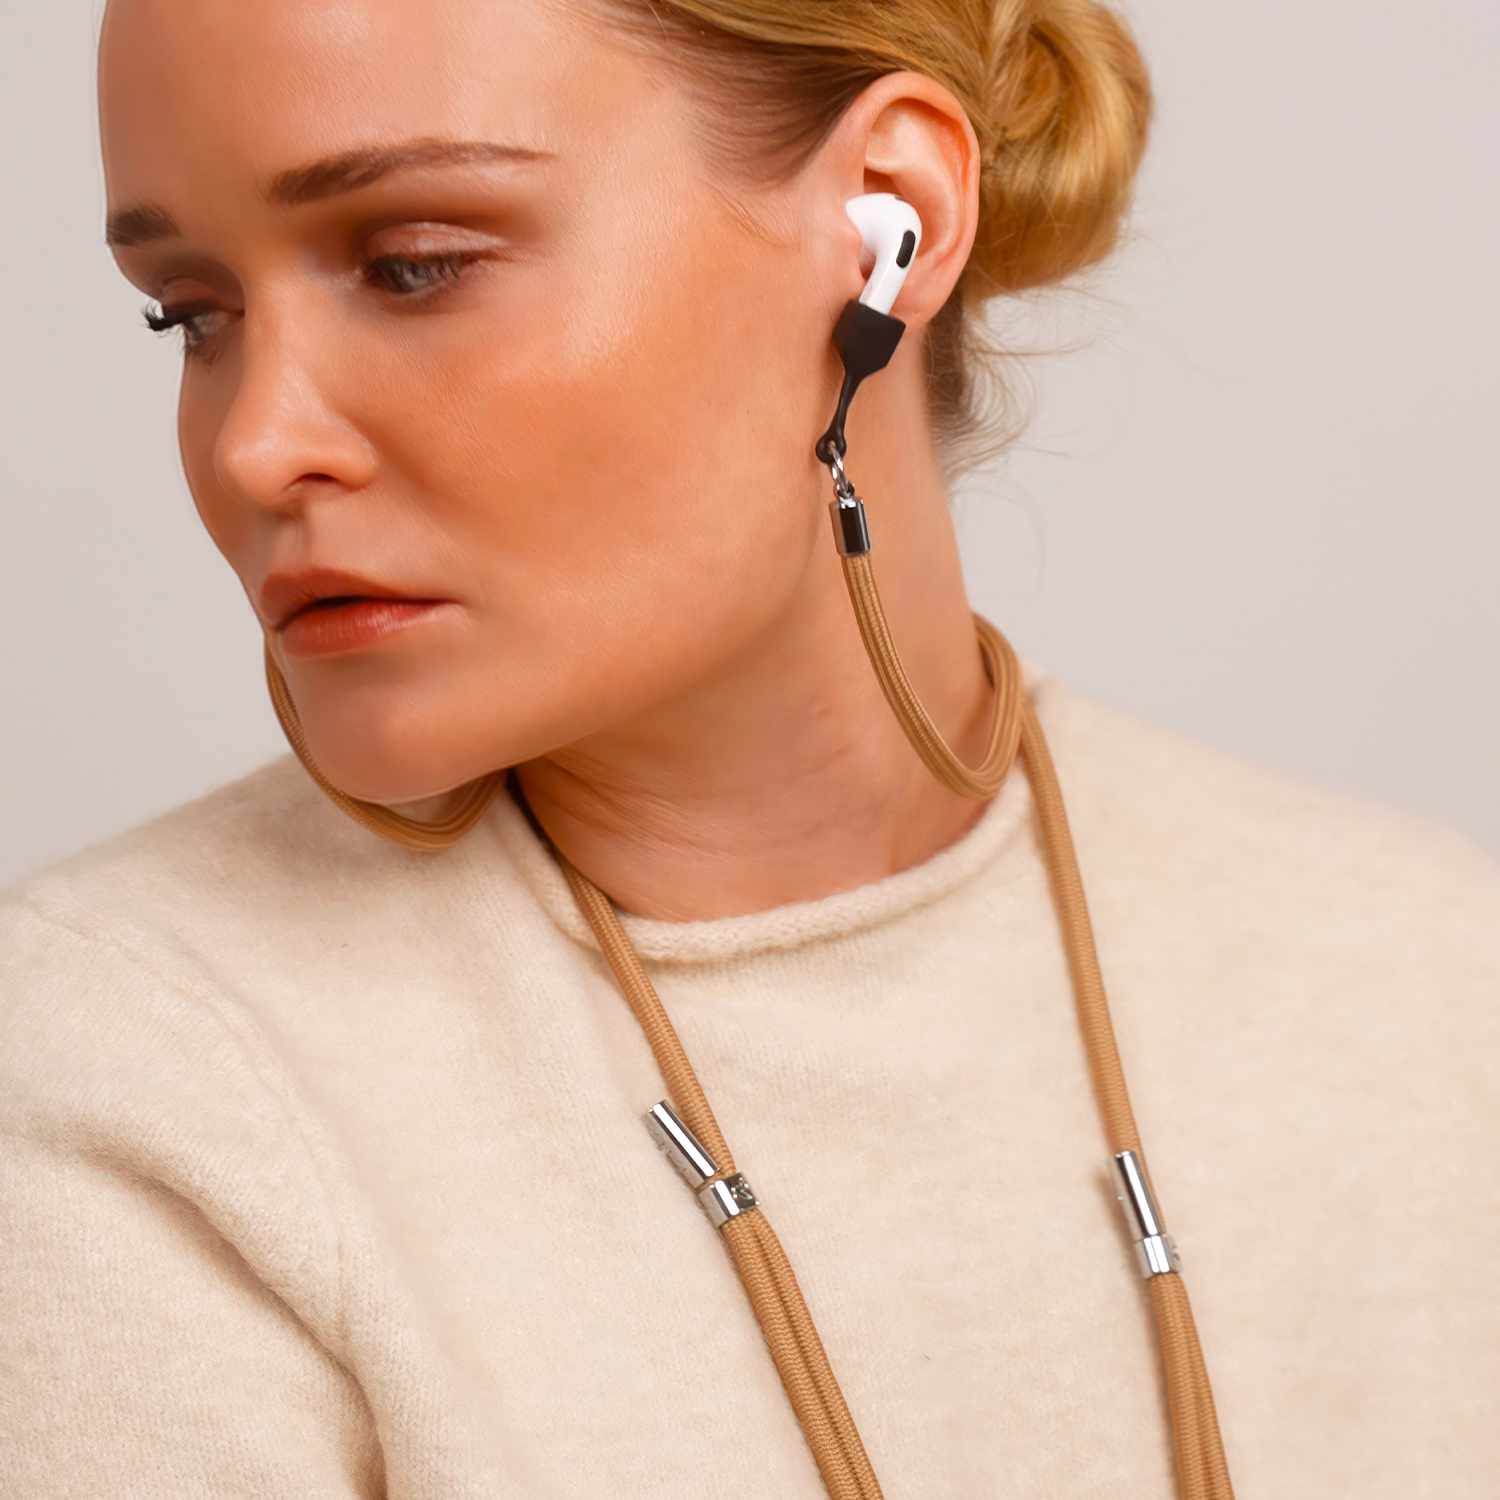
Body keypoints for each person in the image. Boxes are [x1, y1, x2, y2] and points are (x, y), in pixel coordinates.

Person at [1, 0, 1496, 1494]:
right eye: (191, 313)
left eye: (414, 265)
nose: (256, 446)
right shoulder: (133, 1088)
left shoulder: (1436, 987)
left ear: (889, 225)